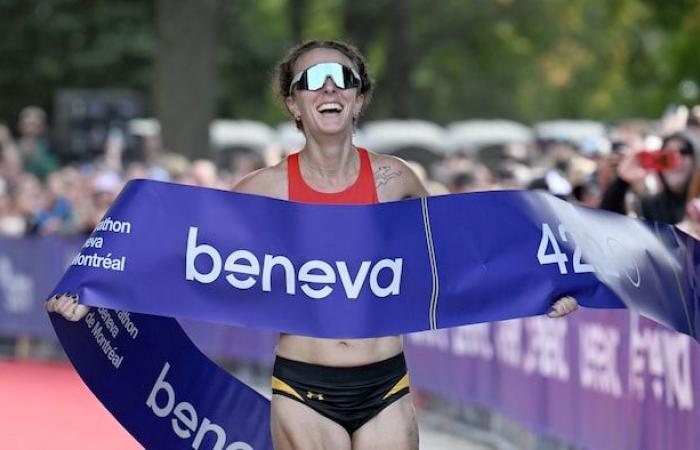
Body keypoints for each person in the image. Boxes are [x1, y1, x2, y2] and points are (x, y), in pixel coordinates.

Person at [47, 39, 578, 450]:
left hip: (386, 382)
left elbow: (466, 254)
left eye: (341, 79)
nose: (328, 88)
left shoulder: (397, 180)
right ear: (293, 103)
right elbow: (181, 259)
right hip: (303, 388)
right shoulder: (263, 190)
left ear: (359, 98)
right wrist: (92, 289)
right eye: (312, 80)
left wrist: (543, 287)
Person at [600, 132, 699, 223]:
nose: (675, 160)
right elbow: (607, 223)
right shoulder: (649, 208)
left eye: (684, 151)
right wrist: (622, 182)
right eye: (667, 154)